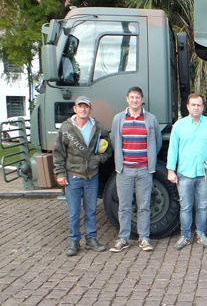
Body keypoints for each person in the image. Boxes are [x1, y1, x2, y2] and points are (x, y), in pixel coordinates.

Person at [53, 96, 113, 256]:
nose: (83, 109)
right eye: (80, 106)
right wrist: (60, 173)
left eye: (86, 106)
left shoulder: (98, 127)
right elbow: (59, 152)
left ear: (90, 109)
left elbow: (108, 149)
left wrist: (98, 159)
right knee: (73, 212)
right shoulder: (66, 128)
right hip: (73, 176)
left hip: (91, 176)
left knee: (91, 210)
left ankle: (91, 239)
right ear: (75, 109)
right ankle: (74, 242)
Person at [109, 86, 162, 253]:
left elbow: (157, 142)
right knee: (124, 206)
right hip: (124, 171)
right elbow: (114, 141)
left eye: (137, 97)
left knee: (144, 206)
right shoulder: (118, 119)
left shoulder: (150, 119)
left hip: (144, 170)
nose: (134, 100)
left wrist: (149, 160)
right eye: (132, 97)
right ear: (127, 99)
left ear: (142, 99)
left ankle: (144, 238)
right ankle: (123, 238)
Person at [167, 94, 207, 250]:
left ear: (203, 107)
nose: (196, 107)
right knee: (186, 207)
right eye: (193, 104)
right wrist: (171, 170)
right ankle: (185, 236)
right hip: (184, 172)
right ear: (187, 106)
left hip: (204, 174)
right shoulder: (179, 126)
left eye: (199, 105)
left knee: (202, 206)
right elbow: (173, 149)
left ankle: (201, 234)